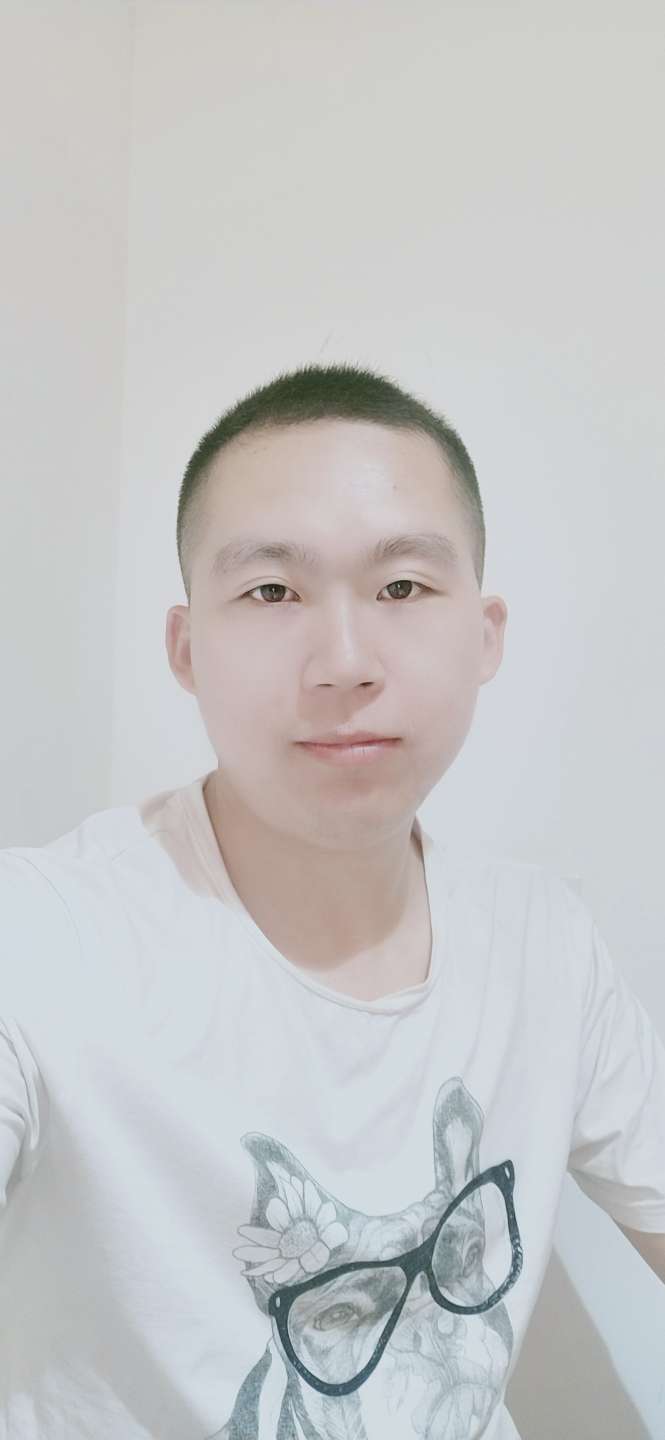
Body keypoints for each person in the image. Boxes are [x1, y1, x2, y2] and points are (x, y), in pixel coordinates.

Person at [1, 362, 664, 1440]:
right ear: (186, 648)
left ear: (484, 634)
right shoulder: (42, 941)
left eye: (401, 588)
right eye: (271, 592)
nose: (344, 663)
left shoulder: (543, 942)